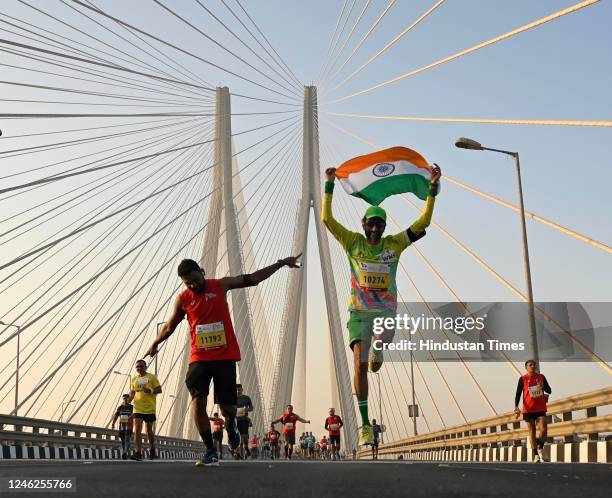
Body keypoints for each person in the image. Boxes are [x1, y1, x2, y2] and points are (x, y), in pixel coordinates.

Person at [322, 165, 441, 446]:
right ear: (363, 225)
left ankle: (379, 346)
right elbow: (326, 219)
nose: (374, 229)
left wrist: (432, 191)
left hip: (385, 312)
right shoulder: (351, 242)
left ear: (384, 228)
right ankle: (364, 425)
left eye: (379, 225)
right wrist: (329, 185)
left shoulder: (394, 244)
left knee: (382, 340)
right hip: (359, 313)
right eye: (371, 224)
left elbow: (423, 223)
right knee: (360, 367)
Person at [145, 255, 301, 467]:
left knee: (228, 408)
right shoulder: (184, 299)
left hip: (225, 357)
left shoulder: (220, 285)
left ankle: (231, 424)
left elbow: (253, 279)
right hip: (199, 357)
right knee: (197, 401)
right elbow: (169, 326)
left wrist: (281, 263)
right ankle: (210, 450)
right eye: (187, 283)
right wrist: (155, 343)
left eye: (194, 279)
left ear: (202, 271)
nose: (193, 285)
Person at [514, 359, 552, 463]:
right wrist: (516, 406)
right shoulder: (523, 379)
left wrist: (543, 386)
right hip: (528, 409)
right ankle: (535, 454)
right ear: (526, 367)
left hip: (540, 408)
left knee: (544, 428)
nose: (532, 366)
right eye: (530, 365)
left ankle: (540, 446)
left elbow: (549, 390)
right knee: (532, 431)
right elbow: (518, 393)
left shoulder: (541, 377)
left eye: (534, 365)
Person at [128, 359, 161, 461]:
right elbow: (133, 392)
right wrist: (129, 399)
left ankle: (152, 450)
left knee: (149, 432)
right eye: (137, 367)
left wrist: (150, 390)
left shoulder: (151, 377)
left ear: (146, 367)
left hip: (149, 408)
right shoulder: (134, 379)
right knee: (137, 430)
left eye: (141, 366)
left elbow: (159, 389)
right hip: (138, 408)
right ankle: (138, 452)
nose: (139, 368)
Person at [112, 394, 134, 459]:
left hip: (129, 426)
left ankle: (124, 452)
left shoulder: (132, 407)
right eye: (124, 398)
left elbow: (135, 414)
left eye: (126, 398)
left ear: (129, 399)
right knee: (123, 440)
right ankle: (125, 452)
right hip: (122, 426)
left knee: (127, 439)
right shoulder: (120, 407)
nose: (125, 400)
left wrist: (130, 417)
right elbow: (116, 415)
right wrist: (113, 423)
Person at [236, 384, 254, 459]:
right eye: (236, 389)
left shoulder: (246, 398)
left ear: (242, 390)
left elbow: (251, 408)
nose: (237, 391)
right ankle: (240, 454)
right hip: (236, 420)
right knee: (239, 438)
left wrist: (247, 409)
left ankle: (246, 448)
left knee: (245, 437)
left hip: (244, 419)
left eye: (239, 389)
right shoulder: (231, 398)